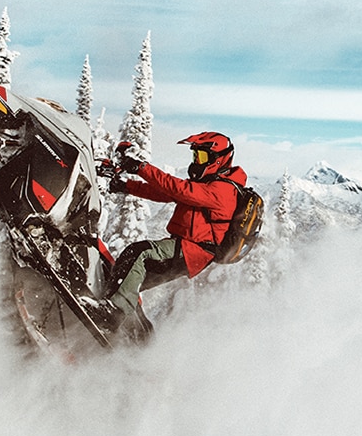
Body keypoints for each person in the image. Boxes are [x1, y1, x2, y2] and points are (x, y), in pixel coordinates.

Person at [84, 131, 247, 339]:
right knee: (124, 276)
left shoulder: (222, 190)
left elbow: (179, 189)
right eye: (196, 156)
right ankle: (140, 337)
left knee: (139, 252)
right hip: (183, 246)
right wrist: (125, 185)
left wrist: (140, 168)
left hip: (194, 252)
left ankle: (113, 315)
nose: (197, 161)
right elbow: (165, 193)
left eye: (203, 157)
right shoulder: (209, 183)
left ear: (219, 158)